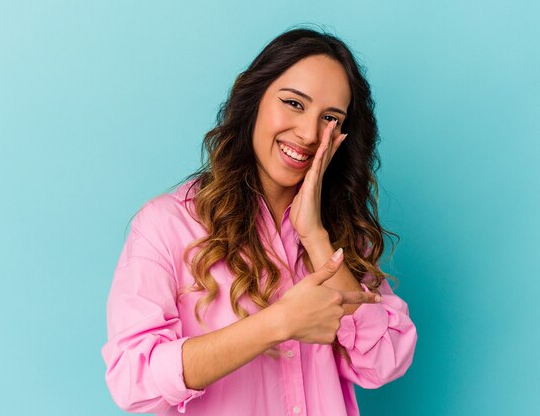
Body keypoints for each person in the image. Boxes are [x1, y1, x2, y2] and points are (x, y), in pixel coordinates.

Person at [101, 27, 417, 416]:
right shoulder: (167, 225)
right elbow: (134, 378)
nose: (308, 134)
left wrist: (315, 235)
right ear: (254, 101)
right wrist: (277, 323)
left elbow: (385, 360)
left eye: (330, 118)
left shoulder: (339, 238)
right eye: (294, 103)